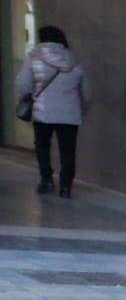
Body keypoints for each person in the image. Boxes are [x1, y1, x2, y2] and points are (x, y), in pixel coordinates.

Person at [14, 27, 89, 199]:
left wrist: (26, 96)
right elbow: (86, 90)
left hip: (43, 111)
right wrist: (83, 108)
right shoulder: (74, 60)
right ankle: (66, 187)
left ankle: (46, 180)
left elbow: (23, 82)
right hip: (69, 113)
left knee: (42, 147)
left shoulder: (33, 57)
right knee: (68, 150)